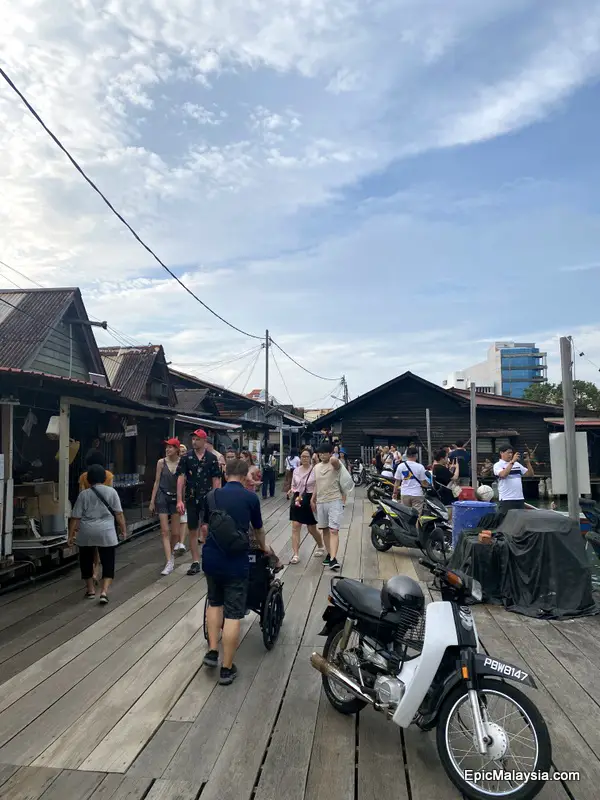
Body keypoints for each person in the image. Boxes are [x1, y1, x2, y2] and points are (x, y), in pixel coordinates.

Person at [202, 458, 270, 685]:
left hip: (211, 557)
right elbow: (258, 530)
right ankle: (227, 668)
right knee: (232, 614)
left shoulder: (211, 496)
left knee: (214, 602)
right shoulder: (250, 498)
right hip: (236, 560)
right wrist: (264, 548)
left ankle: (212, 651)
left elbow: (204, 528)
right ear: (244, 477)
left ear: (225, 473)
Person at [68, 464, 127, 604]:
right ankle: (104, 592)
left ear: (88, 479)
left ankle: (90, 590)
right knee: (108, 562)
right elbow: (119, 514)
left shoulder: (83, 494)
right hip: (106, 532)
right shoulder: (112, 492)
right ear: (104, 477)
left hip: (86, 531)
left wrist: (70, 535)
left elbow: (75, 517)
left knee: (86, 560)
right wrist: (123, 529)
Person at [176, 429, 222, 576]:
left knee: (208, 528)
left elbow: (216, 478)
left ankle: (210, 558)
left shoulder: (212, 458)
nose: (194, 442)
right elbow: (181, 478)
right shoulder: (186, 457)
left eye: (197, 439)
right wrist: (179, 499)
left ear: (204, 441)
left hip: (208, 496)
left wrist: (216, 497)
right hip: (191, 497)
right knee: (192, 529)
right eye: (193, 439)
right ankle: (195, 561)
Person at [149, 438, 183, 576]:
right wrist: (152, 501)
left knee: (175, 532)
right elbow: (157, 481)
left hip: (176, 497)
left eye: (170, 447)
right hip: (162, 496)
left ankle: (171, 554)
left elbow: (184, 482)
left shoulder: (182, 463)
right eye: (166, 447)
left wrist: (183, 500)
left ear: (176, 449)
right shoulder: (161, 463)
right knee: (164, 531)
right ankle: (169, 561)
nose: (167, 450)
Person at [287, 449, 325, 564]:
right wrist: (291, 490)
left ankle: (320, 545)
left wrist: (314, 499)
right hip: (298, 498)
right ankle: (296, 554)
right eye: (303, 456)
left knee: (311, 528)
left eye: (307, 456)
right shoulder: (296, 471)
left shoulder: (314, 470)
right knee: (295, 525)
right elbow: (294, 485)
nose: (304, 458)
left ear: (310, 458)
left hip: (309, 497)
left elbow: (318, 485)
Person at [311, 443, 344, 571]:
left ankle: (334, 558)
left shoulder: (335, 464)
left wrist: (333, 456)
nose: (322, 455)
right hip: (321, 501)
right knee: (324, 529)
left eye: (325, 452)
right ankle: (330, 555)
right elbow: (317, 484)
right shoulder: (316, 467)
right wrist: (313, 499)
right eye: (320, 452)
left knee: (334, 530)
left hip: (334, 500)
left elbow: (336, 462)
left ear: (330, 453)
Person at [493, 446, 534, 514]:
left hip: (519, 498)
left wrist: (527, 462)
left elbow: (530, 475)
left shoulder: (517, 464)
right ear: (501, 453)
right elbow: (503, 475)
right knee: (506, 520)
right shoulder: (497, 465)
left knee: (520, 521)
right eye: (508, 453)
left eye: (511, 453)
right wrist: (512, 462)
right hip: (506, 499)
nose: (510, 455)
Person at [392, 447, 429, 513]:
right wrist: (428, 485)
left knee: (406, 515)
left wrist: (394, 493)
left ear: (406, 455)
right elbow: (423, 482)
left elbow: (397, 481)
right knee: (417, 516)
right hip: (417, 494)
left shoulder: (400, 466)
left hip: (405, 494)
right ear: (416, 455)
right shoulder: (420, 467)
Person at [178, 443, 189, 551]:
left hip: (186, 494)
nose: (182, 454)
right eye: (180, 451)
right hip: (174, 495)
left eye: (183, 451)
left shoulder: (188, 464)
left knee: (184, 519)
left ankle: (181, 542)